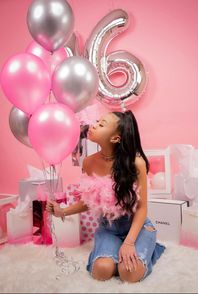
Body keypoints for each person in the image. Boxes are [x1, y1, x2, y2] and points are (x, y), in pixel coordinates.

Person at [46, 110, 166, 283]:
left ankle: (149, 247)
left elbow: (141, 208)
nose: (94, 125)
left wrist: (130, 243)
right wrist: (62, 211)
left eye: (101, 124)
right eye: (97, 121)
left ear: (115, 138)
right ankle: (115, 252)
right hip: (109, 229)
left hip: (136, 228)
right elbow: (90, 201)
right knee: (102, 271)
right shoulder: (88, 162)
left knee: (129, 273)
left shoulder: (136, 163)